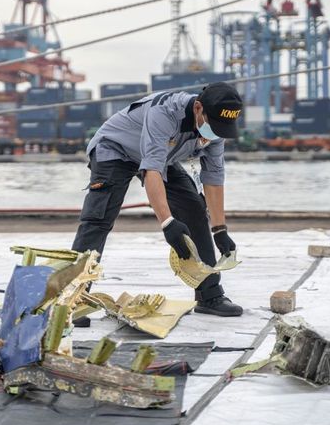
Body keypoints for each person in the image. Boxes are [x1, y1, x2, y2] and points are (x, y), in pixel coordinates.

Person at [72, 82, 244, 317]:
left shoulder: (217, 125)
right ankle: (73, 299)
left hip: (163, 157)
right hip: (116, 149)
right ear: (197, 108)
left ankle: (209, 295)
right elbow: (151, 169)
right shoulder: (164, 113)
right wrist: (168, 224)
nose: (217, 133)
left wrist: (220, 229)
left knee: (194, 210)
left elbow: (213, 176)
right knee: (98, 220)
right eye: (214, 125)